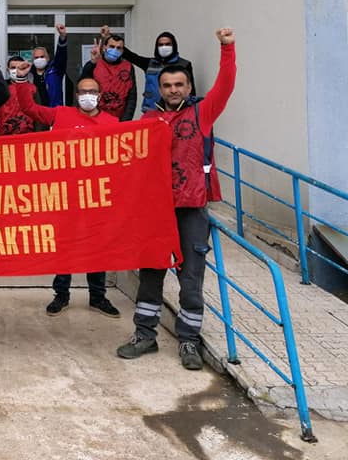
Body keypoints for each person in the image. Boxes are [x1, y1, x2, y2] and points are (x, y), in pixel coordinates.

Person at [116, 28, 237, 371]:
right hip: (155, 212)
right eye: (167, 85)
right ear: (160, 88)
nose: (173, 90)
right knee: (151, 274)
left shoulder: (202, 113)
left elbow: (226, 84)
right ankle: (144, 335)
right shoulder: (147, 120)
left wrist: (227, 49)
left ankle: (188, 341)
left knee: (190, 278)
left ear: (188, 87)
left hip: (191, 209)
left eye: (179, 85)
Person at [16, 73, 121, 318]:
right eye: (83, 92)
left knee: (97, 246)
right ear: (76, 95)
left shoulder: (112, 122)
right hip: (66, 194)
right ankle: (61, 295)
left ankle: (98, 296)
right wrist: (21, 82)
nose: (87, 96)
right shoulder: (61, 114)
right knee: (65, 245)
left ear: (100, 95)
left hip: (97, 196)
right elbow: (29, 108)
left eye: (92, 92)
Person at [101, 26, 196, 114]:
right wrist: (108, 37)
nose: (164, 47)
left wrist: (190, 112)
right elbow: (131, 56)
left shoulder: (184, 64)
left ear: (174, 45)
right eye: (161, 45)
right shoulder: (149, 63)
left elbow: (191, 92)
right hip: (151, 112)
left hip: (177, 113)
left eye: (167, 44)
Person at [81, 33, 137, 121]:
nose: (115, 50)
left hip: (120, 119)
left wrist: (126, 120)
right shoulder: (94, 64)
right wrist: (92, 63)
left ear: (122, 51)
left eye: (118, 48)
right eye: (112, 46)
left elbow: (132, 96)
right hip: (96, 118)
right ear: (104, 47)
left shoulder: (128, 67)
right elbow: (82, 86)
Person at [0, 56, 41, 135]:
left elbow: (38, 115)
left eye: (19, 67)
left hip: (27, 136)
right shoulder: (2, 89)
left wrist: (38, 136)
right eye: (13, 68)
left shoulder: (32, 89)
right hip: (5, 136)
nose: (16, 70)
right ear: (8, 70)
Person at [30, 23, 70, 108]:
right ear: (33, 60)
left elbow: (61, 56)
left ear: (47, 58)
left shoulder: (55, 70)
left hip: (53, 111)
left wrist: (62, 38)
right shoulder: (28, 75)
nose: (39, 59)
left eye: (42, 56)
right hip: (35, 112)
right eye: (36, 57)